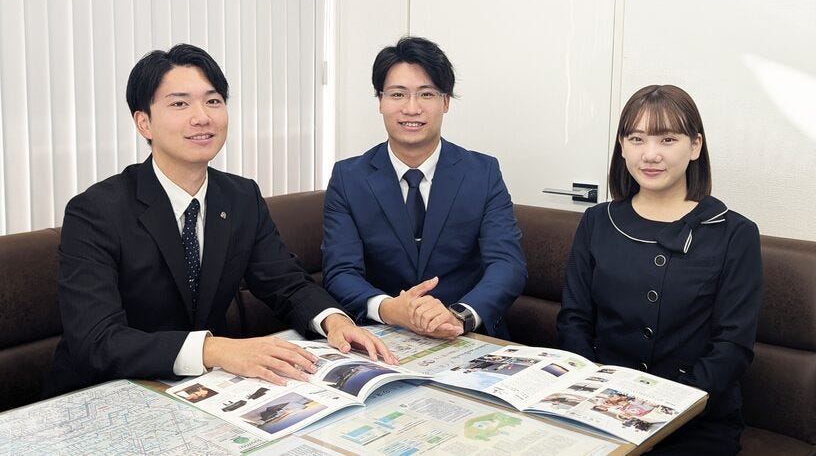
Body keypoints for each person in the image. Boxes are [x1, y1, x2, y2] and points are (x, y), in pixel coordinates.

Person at [45, 44, 396, 398]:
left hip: (202, 390)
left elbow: (286, 283)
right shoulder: (96, 212)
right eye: (180, 104)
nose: (202, 117)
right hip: (107, 392)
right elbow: (97, 341)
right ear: (144, 123)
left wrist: (334, 320)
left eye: (213, 101)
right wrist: (214, 349)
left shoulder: (240, 197)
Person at [556, 85, 763, 454]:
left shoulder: (735, 233)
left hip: (693, 417)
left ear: (695, 146)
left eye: (667, 139)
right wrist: (594, 392)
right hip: (600, 406)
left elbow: (732, 346)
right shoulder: (597, 221)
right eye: (637, 139)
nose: (650, 154)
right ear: (622, 147)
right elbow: (574, 319)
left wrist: (666, 408)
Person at [321, 36, 527, 339]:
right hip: (382, 333)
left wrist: (459, 315)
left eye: (426, 94)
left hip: (464, 334)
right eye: (397, 94)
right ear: (380, 102)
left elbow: (507, 264)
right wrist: (389, 308)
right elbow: (341, 271)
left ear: (445, 102)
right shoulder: (348, 178)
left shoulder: (482, 173)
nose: (411, 108)